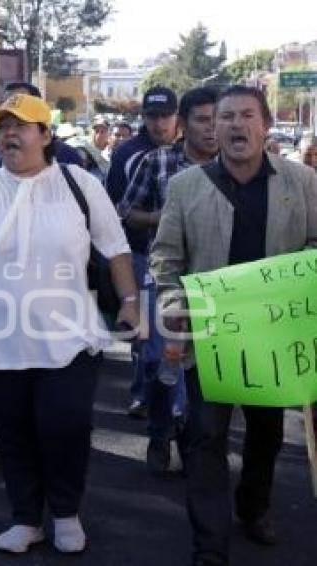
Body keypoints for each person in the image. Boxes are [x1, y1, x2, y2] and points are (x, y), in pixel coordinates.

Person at [0, 93, 139, 555]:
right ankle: (26, 517)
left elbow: (116, 246)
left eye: (21, 126)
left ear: (45, 135)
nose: (9, 134)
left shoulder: (78, 182)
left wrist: (130, 302)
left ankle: (65, 512)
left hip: (67, 335)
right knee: (12, 430)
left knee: (62, 424)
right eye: (3, 126)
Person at [150, 85, 317, 566]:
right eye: (225, 117)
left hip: (272, 338)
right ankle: (210, 544)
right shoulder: (186, 186)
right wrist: (173, 300)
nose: (237, 125)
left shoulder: (302, 182)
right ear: (210, 127)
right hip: (210, 337)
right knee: (206, 437)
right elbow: (165, 255)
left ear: (265, 125)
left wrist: (300, 270)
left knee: (266, 434)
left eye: (247, 115)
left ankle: (253, 507)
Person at [119, 87, 219, 475]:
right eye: (203, 120)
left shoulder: (234, 167)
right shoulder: (157, 162)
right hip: (166, 282)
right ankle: (160, 432)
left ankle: (193, 436)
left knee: (208, 370)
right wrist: (165, 218)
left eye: (218, 119)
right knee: (164, 363)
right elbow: (127, 211)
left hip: (218, 286)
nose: (212, 129)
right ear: (185, 122)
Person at [106, 86, 179, 419]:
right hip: (138, 254)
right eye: (152, 116)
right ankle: (143, 395)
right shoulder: (128, 153)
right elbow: (117, 210)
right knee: (145, 336)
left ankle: (173, 403)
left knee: (172, 335)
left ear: (177, 117)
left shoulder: (193, 151)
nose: (159, 123)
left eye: (165, 116)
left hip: (187, 262)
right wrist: (157, 220)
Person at [0, 82, 83, 179]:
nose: (11, 107)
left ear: (45, 136)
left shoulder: (69, 160)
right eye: (4, 126)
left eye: (20, 124)